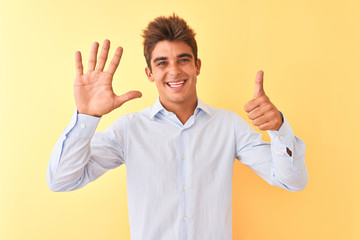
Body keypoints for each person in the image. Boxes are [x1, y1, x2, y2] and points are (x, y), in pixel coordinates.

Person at [47, 14, 308, 240]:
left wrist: (279, 128)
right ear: (149, 73)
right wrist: (86, 117)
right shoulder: (129, 129)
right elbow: (61, 180)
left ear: (197, 66)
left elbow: (292, 180)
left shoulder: (228, 126)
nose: (174, 71)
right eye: (162, 63)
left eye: (183, 60)